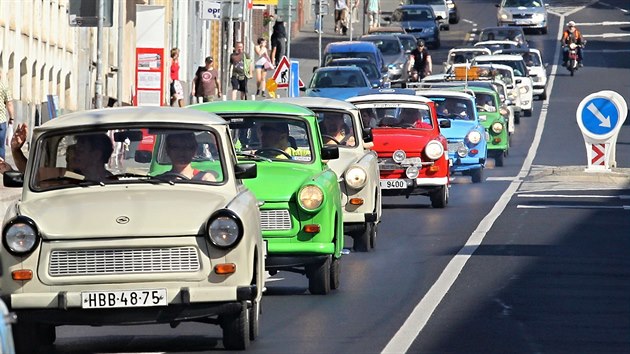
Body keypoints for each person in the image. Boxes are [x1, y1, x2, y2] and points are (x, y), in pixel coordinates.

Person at [0, 77, 15, 160]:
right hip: (1, 121)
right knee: (1, 147)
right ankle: (1, 169)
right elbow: (9, 104)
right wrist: (11, 118)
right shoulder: (4, 86)